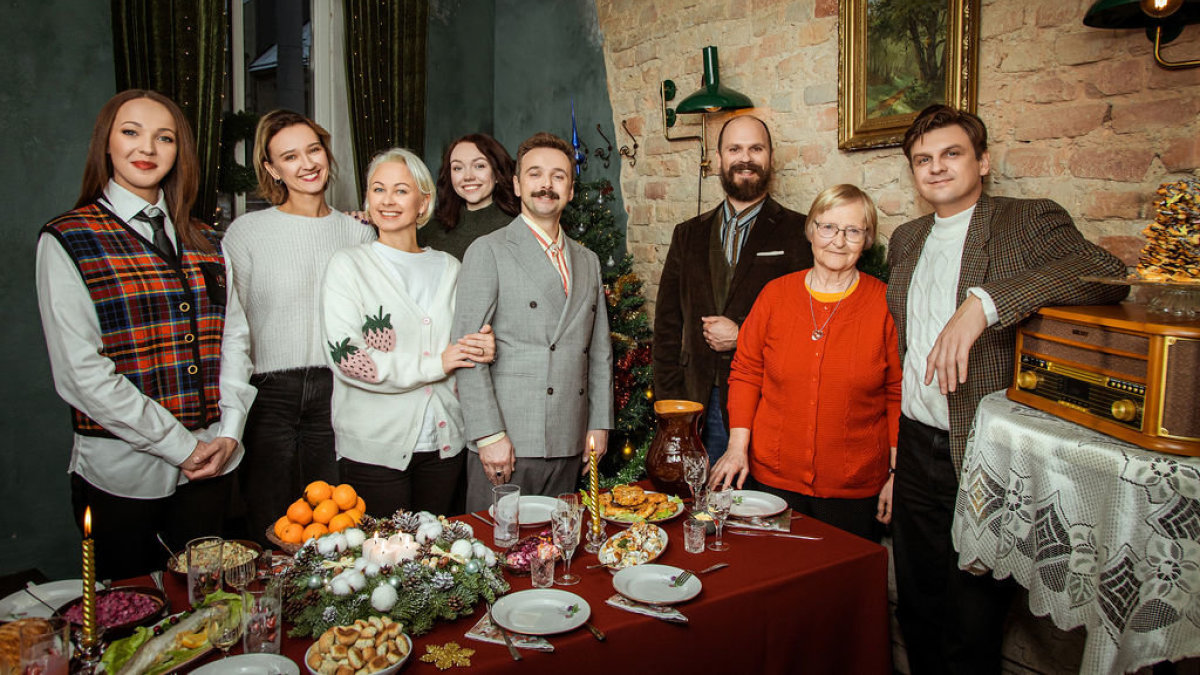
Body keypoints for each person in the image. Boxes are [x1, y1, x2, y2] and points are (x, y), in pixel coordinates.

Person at [886, 104, 1129, 674]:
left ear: (984, 161)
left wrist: (985, 302)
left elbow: (1105, 272)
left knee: (971, 621)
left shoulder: (1026, 219)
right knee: (916, 605)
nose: (936, 168)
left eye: (952, 154)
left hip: (982, 452)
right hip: (916, 446)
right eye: (923, 159)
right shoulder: (906, 237)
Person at [36, 90, 255, 578]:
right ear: (106, 145)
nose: (148, 149)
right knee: (133, 618)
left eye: (165, 138)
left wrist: (228, 432)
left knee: (208, 611)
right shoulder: (69, 238)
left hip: (212, 467)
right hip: (123, 478)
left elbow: (234, 341)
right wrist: (181, 445)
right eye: (131, 132)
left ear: (180, 153)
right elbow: (80, 374)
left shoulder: (208, 241)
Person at [709, 185, 900, 542]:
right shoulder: (775, 295)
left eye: (853, 231)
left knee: (841, 587)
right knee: (775, 584)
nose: (838, 241)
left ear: (868, 239)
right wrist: (737, 447)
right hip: (773, 481)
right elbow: (747, 372)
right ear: (811, 230)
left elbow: (898, 391)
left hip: (854, 490)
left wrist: (896, 472)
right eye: (828, 227)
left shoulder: (885, 303)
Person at [223, 110, 375, 543]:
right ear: (271, 169)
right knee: (271, 523)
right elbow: (232, 326)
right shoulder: (247, 232)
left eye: (313, 150)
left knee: (338, 525)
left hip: (340, 389)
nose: (307, 163)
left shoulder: (360, 233)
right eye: (290, 156)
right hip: (269, 394)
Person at [321, 148, 496, 516]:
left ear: (423, 202)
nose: (387, 200)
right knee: (382, 564)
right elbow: (348, 358)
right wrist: (437, 363)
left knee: (438, 560)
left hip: (445, 445)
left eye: (401, 190)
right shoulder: (348, 266)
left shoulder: (450, 268)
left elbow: (468, 342)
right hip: (374, 449)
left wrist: (483, 344)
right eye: (377, 189)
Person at [453, 132, 614, 512]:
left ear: (571, 190)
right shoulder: (488, 251)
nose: (546, 185)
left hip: (570, 438)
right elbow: (468, 352)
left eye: (558, 176)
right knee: (496, 554)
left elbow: (600, 351)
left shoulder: (587, 260)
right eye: (535, 174)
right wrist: (489, 435)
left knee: (560, 549)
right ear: (517, 184)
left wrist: (599, 425)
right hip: (508, 441)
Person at [653, 115, 812, 464]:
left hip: (766, 402)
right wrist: (669, 409)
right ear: (720, 159)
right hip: (694, 402)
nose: (745, 158)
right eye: (735, 149)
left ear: (770, 157)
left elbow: (808, 327)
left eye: (756, 148)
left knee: (753, 508)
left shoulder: (800, 232)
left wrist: (743, 335)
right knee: (700, 508)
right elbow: (667, 326)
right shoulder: (688, 234)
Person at [418, 133, 520, 260]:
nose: (468, 177)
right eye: (457, 168)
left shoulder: (518, 230)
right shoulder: (430, 233)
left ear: (497, 173)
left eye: (479, 166)